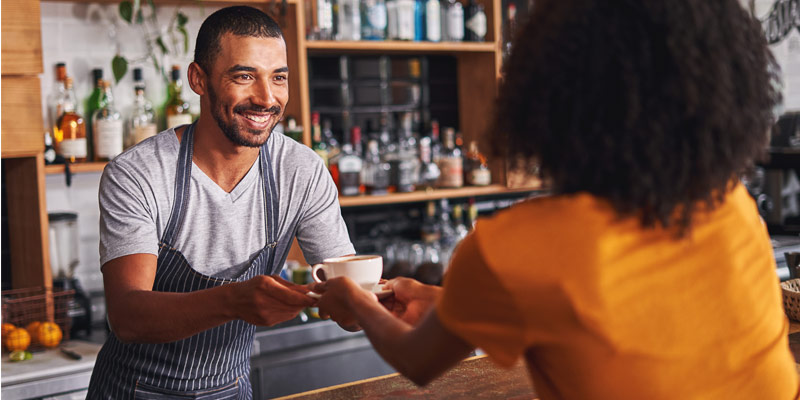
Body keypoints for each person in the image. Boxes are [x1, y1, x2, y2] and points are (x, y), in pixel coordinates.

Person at [311, 1, 800, 398]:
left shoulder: (516, 244)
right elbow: (615, 313)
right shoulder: (729, 202)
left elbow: (418, 358)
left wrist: (355, 299)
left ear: (549, 100)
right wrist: (445, 302)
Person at [87, 6, 355, 398]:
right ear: (198, 79)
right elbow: (128, 316)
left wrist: (369, 304)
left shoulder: (301, 170)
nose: (266, 98)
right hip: (132, 391)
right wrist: (233, 300)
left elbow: (346, 294)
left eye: (278, 78)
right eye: (245, 76)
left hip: (230, 389)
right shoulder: (138, 173)